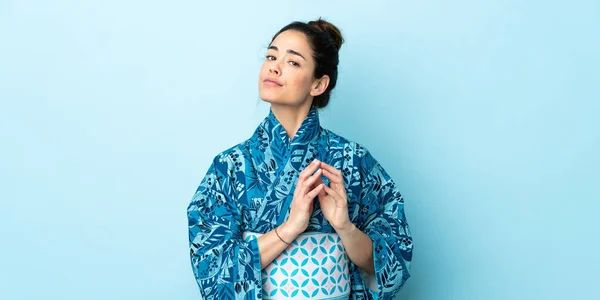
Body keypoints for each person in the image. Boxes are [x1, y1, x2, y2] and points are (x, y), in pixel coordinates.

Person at [187, 18, 413, 300]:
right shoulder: (231, 166)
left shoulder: (353, 160)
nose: (274, 66)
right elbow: (211, 267)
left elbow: (393, 261)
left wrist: (344, 226)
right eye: (271, 56)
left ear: (318, 84)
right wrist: (291, 227)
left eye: (292, 62)